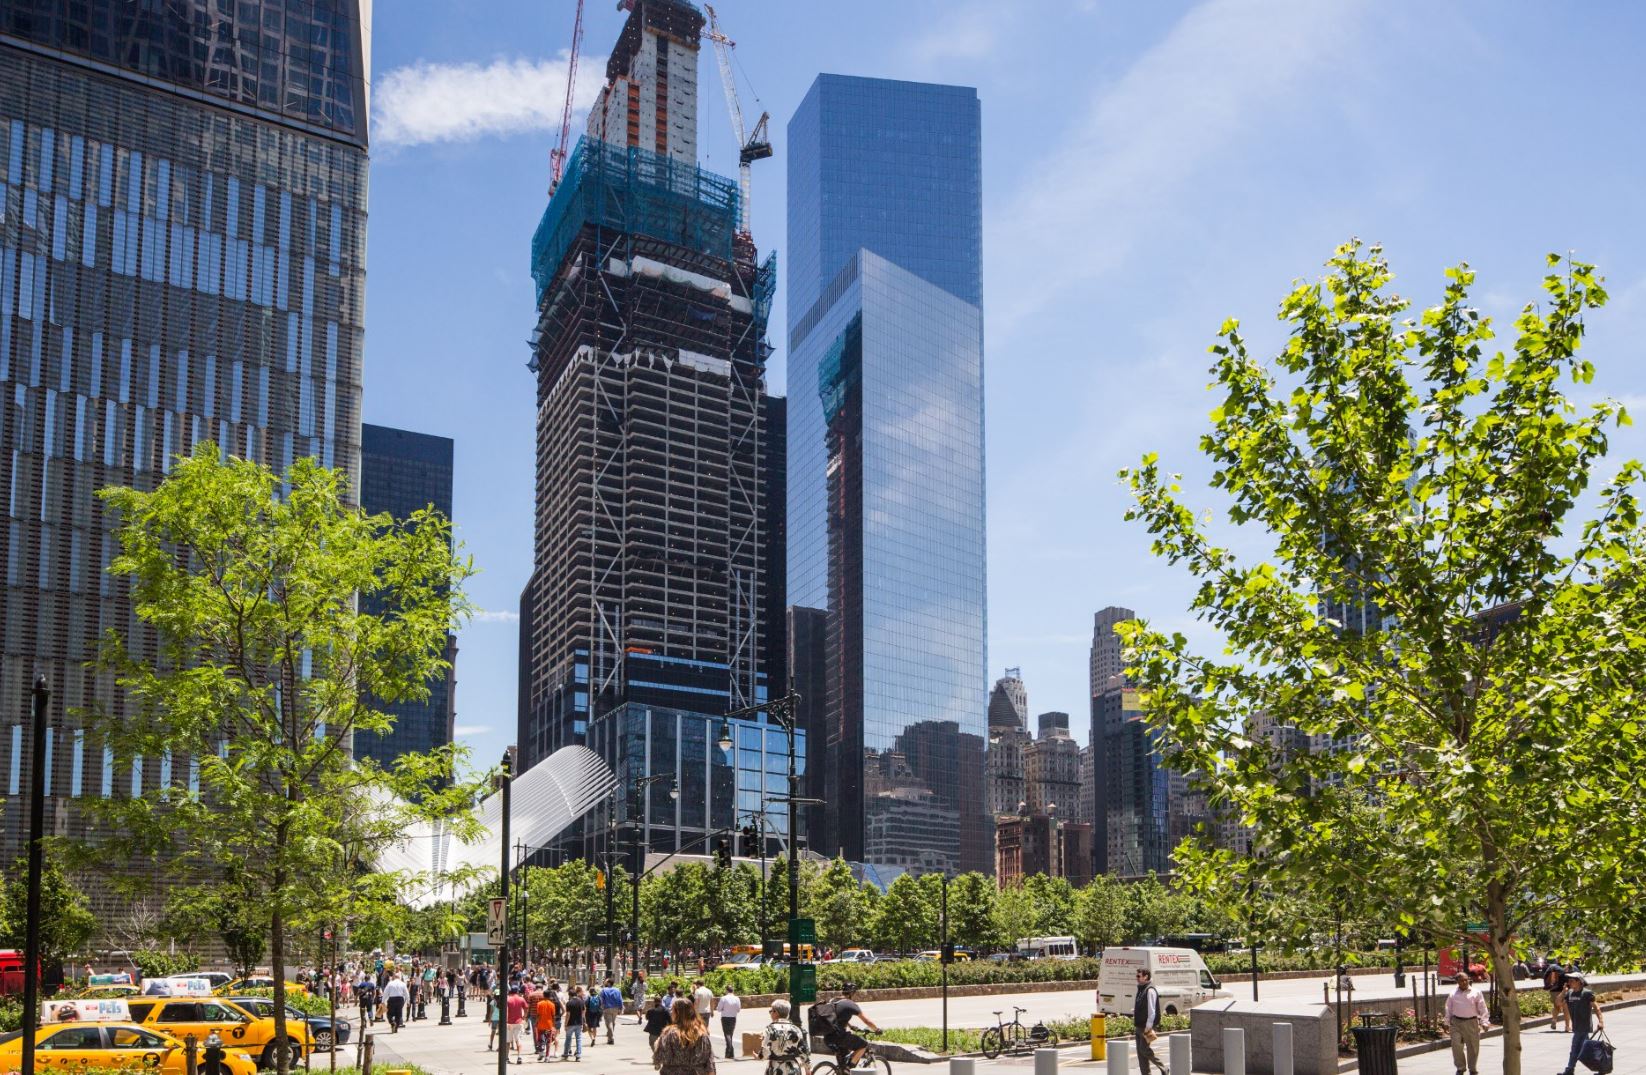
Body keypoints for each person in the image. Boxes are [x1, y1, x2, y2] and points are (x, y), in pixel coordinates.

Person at [821, 983, 878, 1070]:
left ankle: (844, 1070)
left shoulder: (834, 1001)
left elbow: (837, 1017)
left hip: (828, 1037)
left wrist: (851, 1026)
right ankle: (850, 1068)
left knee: (842, 1065)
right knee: (863, 1045)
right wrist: (877, 1029)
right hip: (839, 1037)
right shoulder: (850, 1004)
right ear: (852, 993)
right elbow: (866, 1021)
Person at [653, 997, 716, 1075]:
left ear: (678, 1013)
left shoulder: (669, 1033)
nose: (671, 1012)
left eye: (672, 1010)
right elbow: (709, 1061)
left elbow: (661, 1058)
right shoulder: (701, 1033)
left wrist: (657, 1045)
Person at [1559, 970, 1605, 1075]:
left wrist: (1601, 1021)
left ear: (1579, 981)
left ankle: (1569, 1070)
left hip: (1584, 1027)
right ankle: (1601, 1069)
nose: (1569, 982)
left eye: (1571, 980)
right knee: (1586, 1051)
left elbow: (1596, 1008)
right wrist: (1563, 991)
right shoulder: (1569, 993)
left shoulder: (1587, 993)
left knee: (1575, 1049)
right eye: (1569, 980)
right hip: (1576, 1027)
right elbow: (1558, 1002)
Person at [1445, 972, 1489, 1075]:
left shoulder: (1476, 992)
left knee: (1473, 1047)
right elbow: (1448, 1009)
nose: (1464, 982)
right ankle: (1460, 1068)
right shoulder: (1453, 994)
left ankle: (1472, 1069)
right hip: (1456, 1023)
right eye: (1462, 980)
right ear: (1457, 982)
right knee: (1456, 1046)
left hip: (1471, 1022)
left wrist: (1484, 1022)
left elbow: (1482, 1008)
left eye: (1466, 980)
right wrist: (1446, 1022)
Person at [758, 999, 808, 1075]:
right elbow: (803, 1051)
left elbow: (765, 1052)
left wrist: (759, 1056)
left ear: (776, 1012)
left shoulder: (770, 1029)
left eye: (771, 1011)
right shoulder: (796, 1029)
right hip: (793, 1069)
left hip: (776, 1069)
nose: (770, 1013)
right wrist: (807, 1068)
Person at [1133, 968, 1168, 1075]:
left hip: (1145, 1026)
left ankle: (1163, 1067)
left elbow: (1152, 1010)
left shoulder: (1150, 990)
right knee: (1140, 1054)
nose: (1137, 978)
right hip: (1139, 1025)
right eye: (1137, 976)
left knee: (1144, 1050)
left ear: (1146, 977)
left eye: (1139, 976)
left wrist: (1149, 1027)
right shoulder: (1141, 989)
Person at [715, 986, 742, 1060]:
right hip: (733, 1018)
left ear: (727, 990)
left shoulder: (723, 998)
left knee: (727, 1034)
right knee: (730, 1035)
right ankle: (730, 1053)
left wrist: (724, 1009)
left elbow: (719, 1009)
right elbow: (738, 1009)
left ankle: (729, 1050)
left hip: (725, 1018)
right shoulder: (737, 998)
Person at [562, 985, 586, 1061]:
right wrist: (582, 1020)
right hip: (579, 1023)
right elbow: (583, 1011)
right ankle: (578, 1055)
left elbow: (568, 1015)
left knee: (568, 1039)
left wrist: (565, 1024)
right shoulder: (581, 1002)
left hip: (570, 1023)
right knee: (578, 1039)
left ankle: (566, 1053)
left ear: (569, 995)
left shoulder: (569, 1003)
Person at [535, 987, 559, 1061]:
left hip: (541, 1025)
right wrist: (553, 1025)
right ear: (549, 996)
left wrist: (536, 1022)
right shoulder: (552, 1004)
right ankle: (547, 1056)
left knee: (540, 1040)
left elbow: (538, 1015)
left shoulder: (539, 1004)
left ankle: (541, 1053)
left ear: (543, 995)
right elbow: (553, 1016)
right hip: (549, 1025)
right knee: (548, 1041)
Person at [508, 985, 530, 1065]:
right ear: (517, 991)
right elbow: (526, 1008)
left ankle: (506, 1058)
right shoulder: (521, 999)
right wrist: (524, 1017)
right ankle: (519, 1057)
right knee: (518, 1040)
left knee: (507, 1041)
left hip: (509, 1023)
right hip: (519, 1022)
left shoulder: (508, 999)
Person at [1545, 960, 1569, 1032]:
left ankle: (1554, 1020)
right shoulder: (1565, 967)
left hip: (1552, 990)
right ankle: (1567, 1026)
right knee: (1566, 1008)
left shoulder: (1552, 967)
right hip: (1562, 990)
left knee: (1556, 1006)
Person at [601, 977, 625, 1044]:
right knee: (613, 1022)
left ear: (608, 983)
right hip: (615, 1008)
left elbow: (601, 1000)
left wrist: (601, 1007)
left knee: (609, 1023)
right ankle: (609, 1038)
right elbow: (620, 999)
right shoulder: (617, 990)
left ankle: (611, 1038)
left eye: (606, 982)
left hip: (607, 1008)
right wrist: (621, 1008)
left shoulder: (604, 990)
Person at [585, 982, 603, 1047]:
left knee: (589, 1027)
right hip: (596, 1014)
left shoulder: (588, 998)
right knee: (595, 1027)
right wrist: (600, 1016)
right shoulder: (598, 997)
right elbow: (601, 1005)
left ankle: (592, 1038)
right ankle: (594, 1038)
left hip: (589, 1014)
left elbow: (585, 1005)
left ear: (589, 992)